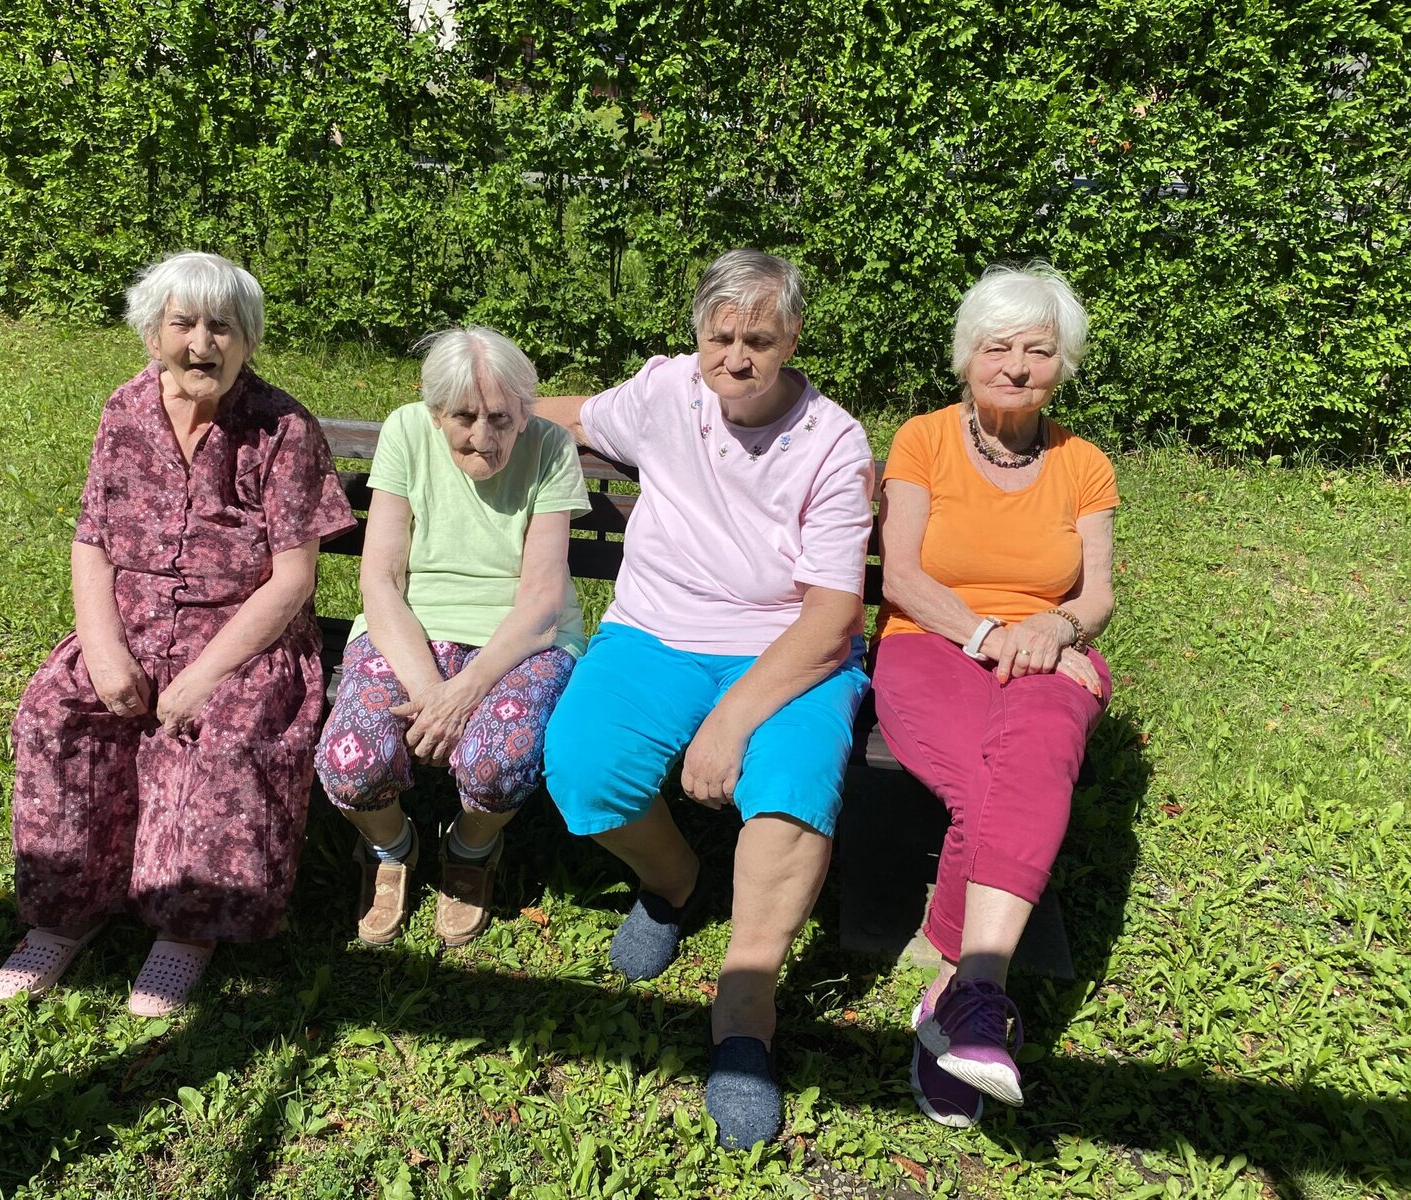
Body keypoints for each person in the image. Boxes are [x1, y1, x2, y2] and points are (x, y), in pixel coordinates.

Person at [539, 249, 875, 1150]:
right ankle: (674, 881)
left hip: (789, 649)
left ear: (792, 339)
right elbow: (573, 414)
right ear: (697, 336)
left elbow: (833, 617)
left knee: (792, 792)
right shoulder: (665, 393)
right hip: (654, 633)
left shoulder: (834, 443)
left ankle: (745, 1006)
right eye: (719, 337)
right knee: (584, 766)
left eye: (759, 339)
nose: (736, 356)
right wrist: (467, 404)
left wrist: (729, 724)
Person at [0, 251, 356, 1016]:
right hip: (131, 623)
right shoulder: (125, 410)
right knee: (57, 717)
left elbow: (292, 580)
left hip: (244, 638)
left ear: (248, 340)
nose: (202, 342)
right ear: (152, 335)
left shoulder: (282, 428)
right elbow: (92, 540)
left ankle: (188, 930)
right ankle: (68, 913)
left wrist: (201, 677)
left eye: (222, 326)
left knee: (227, 739)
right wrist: (103, 650)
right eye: (183, 323)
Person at [872, 263, 1118, 1126]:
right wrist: (988, 634)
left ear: (1064, 364)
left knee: (1035, 756)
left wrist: (1057, 628)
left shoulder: (1084, 464)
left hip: (1050, 653)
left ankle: (966, 993)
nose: (1016, 366)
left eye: (1038, 350)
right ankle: (975, 996)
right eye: (997, 347)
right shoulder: (923, 441)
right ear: (966, 355)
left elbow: (1096, 594)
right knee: (991, 785)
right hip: (932, 640)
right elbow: (901, 576)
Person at [314, 328, 590, 948]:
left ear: (526, 410)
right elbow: (381, 579)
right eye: (464, 418)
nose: (483, 437)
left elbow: (542, 601)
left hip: (522, 638)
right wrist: (428, 692)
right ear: (435, 410)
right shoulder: (407, 431)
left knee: (500, 763)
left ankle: (472, 845)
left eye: (501, 418)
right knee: (349, 764)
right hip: (410, 631)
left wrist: (464, 691)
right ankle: (391, 845)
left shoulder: (549, 447)